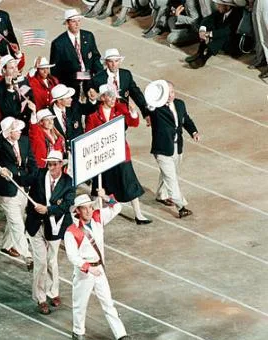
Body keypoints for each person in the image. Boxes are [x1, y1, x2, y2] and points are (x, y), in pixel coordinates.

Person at [64, 191, 133, 340]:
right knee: (80, 304)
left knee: (108, 301)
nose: (89, 211)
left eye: (90, 207)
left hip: (99, 269)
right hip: (84, 272)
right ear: (77, 211)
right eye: (84, 208)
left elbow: (117, 208)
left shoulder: (97, 217)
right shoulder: (71, 231)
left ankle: (121, 334)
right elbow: (73, 256)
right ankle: (78, 331)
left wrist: (105, 197)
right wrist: (88, 268)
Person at [85, 84, 151, 225]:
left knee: (129, 182)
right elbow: (88, 135)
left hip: (120, 153)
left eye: (114, 96)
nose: (113, 99)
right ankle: (94, 216)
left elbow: (133, 122)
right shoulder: (93, 115)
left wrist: (133, 112)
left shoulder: (120, 109)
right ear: (102, 98)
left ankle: (138, 214)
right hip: (103, 156)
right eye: (109, 96)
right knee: (101, 186)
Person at [25, 150, 74, 315]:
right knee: (41, 263)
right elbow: (23, 179)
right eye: (49, 164)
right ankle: (41, 298)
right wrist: (8, 173)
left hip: (55, 226)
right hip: (35, 225)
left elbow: (66, 206)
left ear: (61, 165)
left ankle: (53, 292)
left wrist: (47, 209)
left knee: (52, 260)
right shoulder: (39, 174)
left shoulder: (68, 182)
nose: (51, 167)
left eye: (54, 164)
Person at [144, 80, 200, 218]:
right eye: (167, 94)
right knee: (172, 179)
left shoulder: (180, 104)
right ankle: (181, 207)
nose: (170, 96)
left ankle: (161, 195)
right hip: (162, 148)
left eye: (172, 93)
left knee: (169, 173)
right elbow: (148, 107)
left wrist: (193, 132)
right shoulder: (156, 108)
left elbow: (186, 119)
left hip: (176, 146)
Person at [0, 117, 37, 268]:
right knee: (17, 222)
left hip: (22, 186)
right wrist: (0, 170)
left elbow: (32, 161)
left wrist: (31, 177)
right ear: (8, 132)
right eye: (16, 129)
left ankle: (7, 245)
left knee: (17, 217)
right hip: (6, 189)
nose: (20, 131)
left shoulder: (24, 141)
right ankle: (27, 255)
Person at [50, 9, 102, 101]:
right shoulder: (58, 44)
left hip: (90, 83)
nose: (77, 24)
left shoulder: (88, 36)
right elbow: (55, 71)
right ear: (67, 23)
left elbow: (95, 58)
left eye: (78, 21)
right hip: (70, 86)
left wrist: (100, 79)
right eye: (73, 21)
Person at [91, 48, 149, 121]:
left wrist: (146, 113)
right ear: (106, 62)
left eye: (116, 61)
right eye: (110, 61)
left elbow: (136, 94)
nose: (114, 64)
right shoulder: (97, 79)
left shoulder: (126, 75)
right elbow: (93, 101)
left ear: (120, 61)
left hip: (122, 117)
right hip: (105, 118)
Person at [184, 0, 244, 69]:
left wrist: (209, 34)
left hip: (233, 45)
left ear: (227, 6)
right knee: (209, 26)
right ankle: (200, 52)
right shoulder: (221, 11)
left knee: (221, 35)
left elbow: (227, 31)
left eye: (219, 5)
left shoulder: (237, 14)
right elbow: (207, 19)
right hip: (223, 40)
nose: (217, 7)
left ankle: (204, 58)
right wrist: (202, 31)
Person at [0, 55, 34, 134]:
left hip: (28, 125)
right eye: (11, 68)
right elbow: (9, 111)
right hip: (12, 128)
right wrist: (9, 89)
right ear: (4, 70)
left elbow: (31, 98)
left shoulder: (24, 80)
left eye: (16, 67)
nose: (15, 70)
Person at [48, 84, 94, 150]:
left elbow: (88, 110)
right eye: (67, 98)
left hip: (78, 149)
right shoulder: (48, 113)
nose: (71, 99)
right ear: (59, 100)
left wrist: (92, 100)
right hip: (61, 153)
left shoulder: (75, 106)